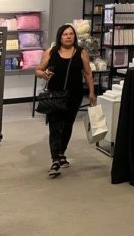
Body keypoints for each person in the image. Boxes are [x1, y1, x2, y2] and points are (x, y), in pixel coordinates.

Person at [35, 24, 95, 178]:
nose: (68, 36)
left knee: (67, 125)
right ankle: (55, 159)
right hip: (54, 95)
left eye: (71, 34)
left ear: (74, 37)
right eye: (65, 34)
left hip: (74, 95)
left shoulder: (81, 53)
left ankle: (61, 152)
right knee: (55, 126)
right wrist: (44, 74)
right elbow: (38, 70)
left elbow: (88, 74)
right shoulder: (51, 52)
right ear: (60, 37)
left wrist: (92, 93)